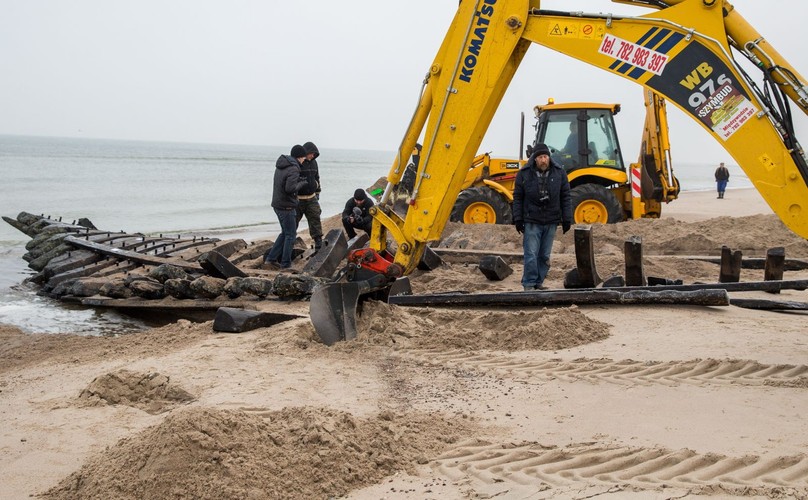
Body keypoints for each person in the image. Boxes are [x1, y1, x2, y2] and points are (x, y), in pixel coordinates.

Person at [512, 143, 572, 291]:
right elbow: (518, 197)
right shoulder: (524, 173)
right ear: (535, 159)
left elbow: (565, 197)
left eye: (545, 157)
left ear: (549, 158)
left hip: (551, 220)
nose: (543, 160)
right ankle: (529, 284)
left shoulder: (559, 173)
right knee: (531, 254)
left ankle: (538, 282)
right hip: (532, 220)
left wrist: (567, 218)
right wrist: (518, 219)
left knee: (544, 255)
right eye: (540, 157)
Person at [264, 145, 311, 270]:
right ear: (299, 157)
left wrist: (296, 181)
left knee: (285, 233)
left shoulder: (282, 165)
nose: (304, 161)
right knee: (291, 235)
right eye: (303, 158)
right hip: (286, 206)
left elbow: (284, 183)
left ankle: (271, 259)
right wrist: (301, 183)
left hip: (277, 204)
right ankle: (285, 264)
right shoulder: (294, 168)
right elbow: (289, 189)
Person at [296, 141, 324, 250]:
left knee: (315, 218)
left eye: (315, 154)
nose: (313, 156)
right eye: (311, 153)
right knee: (294, 222)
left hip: (311, 197)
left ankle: (318, 243)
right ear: (306, 152)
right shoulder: (298, 162)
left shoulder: (314, 163)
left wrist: (317, 191)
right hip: (298, 198)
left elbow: (317, 177)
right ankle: (290, 242)